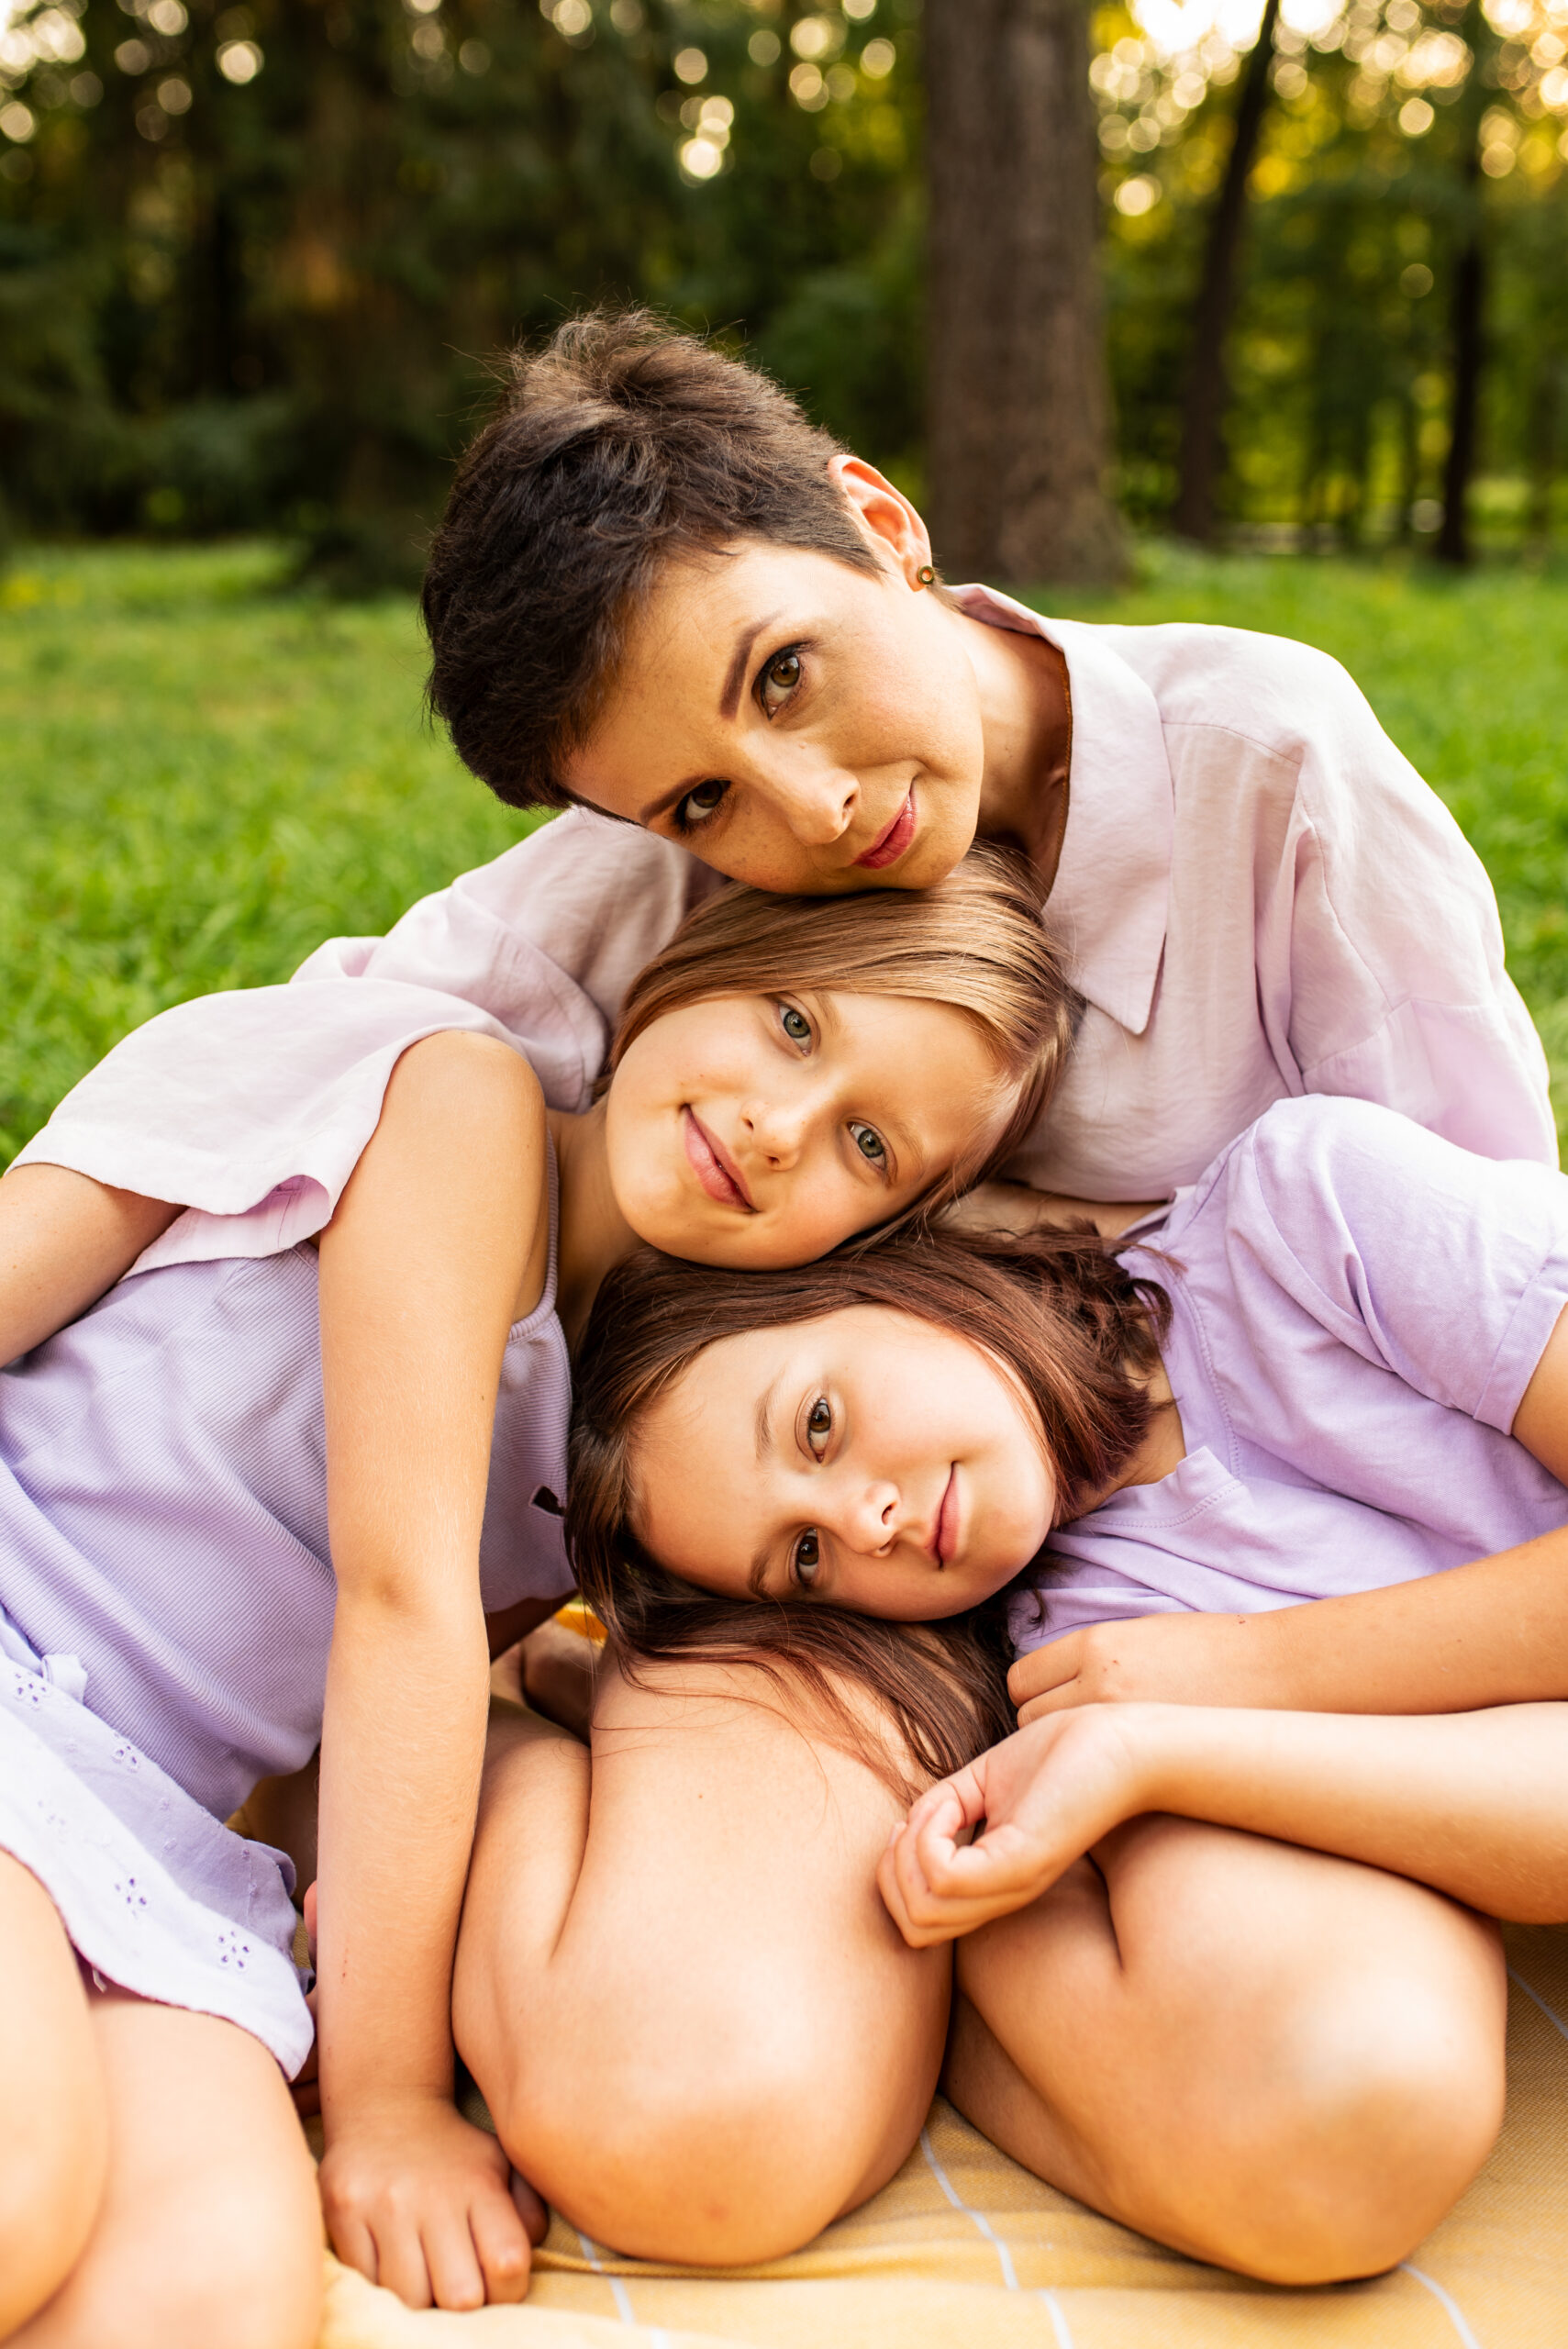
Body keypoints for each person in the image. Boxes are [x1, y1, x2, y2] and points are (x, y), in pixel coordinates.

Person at [0, 849, 1070, 2343]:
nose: (777, 1128)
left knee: (212, 2294)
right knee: (25, 2181)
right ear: (694, 966)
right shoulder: (461, 1103)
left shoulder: (622, 1442)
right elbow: (400, 1607)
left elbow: (341, 1733)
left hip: (142, 1822)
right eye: (793, 1025)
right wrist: (384, 2105)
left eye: (868, 1146)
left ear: (869, 1240)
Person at [9, 308, 1554, 1250]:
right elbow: (328, 1031)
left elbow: (1490, 1258)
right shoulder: (697, 851)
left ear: (880, 525)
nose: (809, 809)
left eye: (785, 673)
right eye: (697, 801)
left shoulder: (1269, 766)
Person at [529, 1092, 1568, 2280]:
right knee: (1345, 2124)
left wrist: (1245, 1676)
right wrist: (1147, 1748)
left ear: (875, 1283)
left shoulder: (1304, 1217)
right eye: (803, 1559)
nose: (863, 1521)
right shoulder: (1072, 1643)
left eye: (817, 1424)